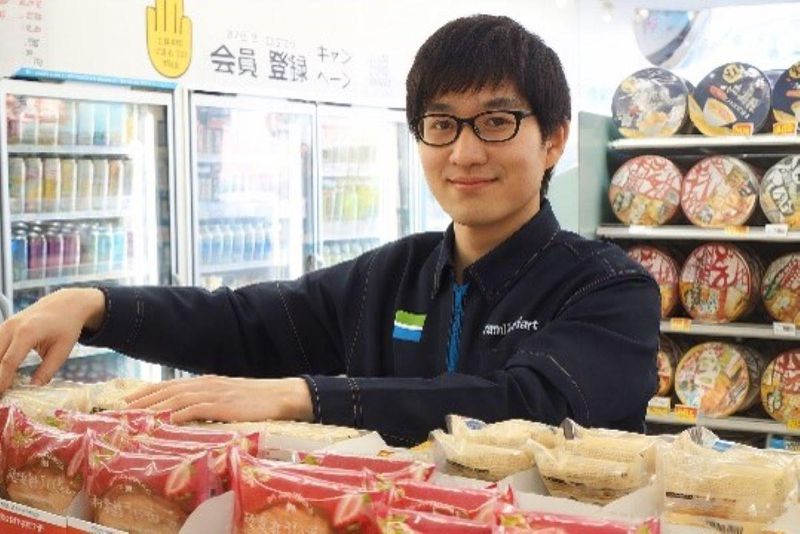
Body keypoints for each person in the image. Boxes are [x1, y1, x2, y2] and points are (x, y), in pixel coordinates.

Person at [0, 14, 660, 446]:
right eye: (441, 124)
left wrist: (305, 397)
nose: (464, 152)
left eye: (495, 122)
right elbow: (243, 324)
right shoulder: (389, 277)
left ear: (554, 140)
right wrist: (96, 306)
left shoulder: (609, 289)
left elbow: (530, 401)